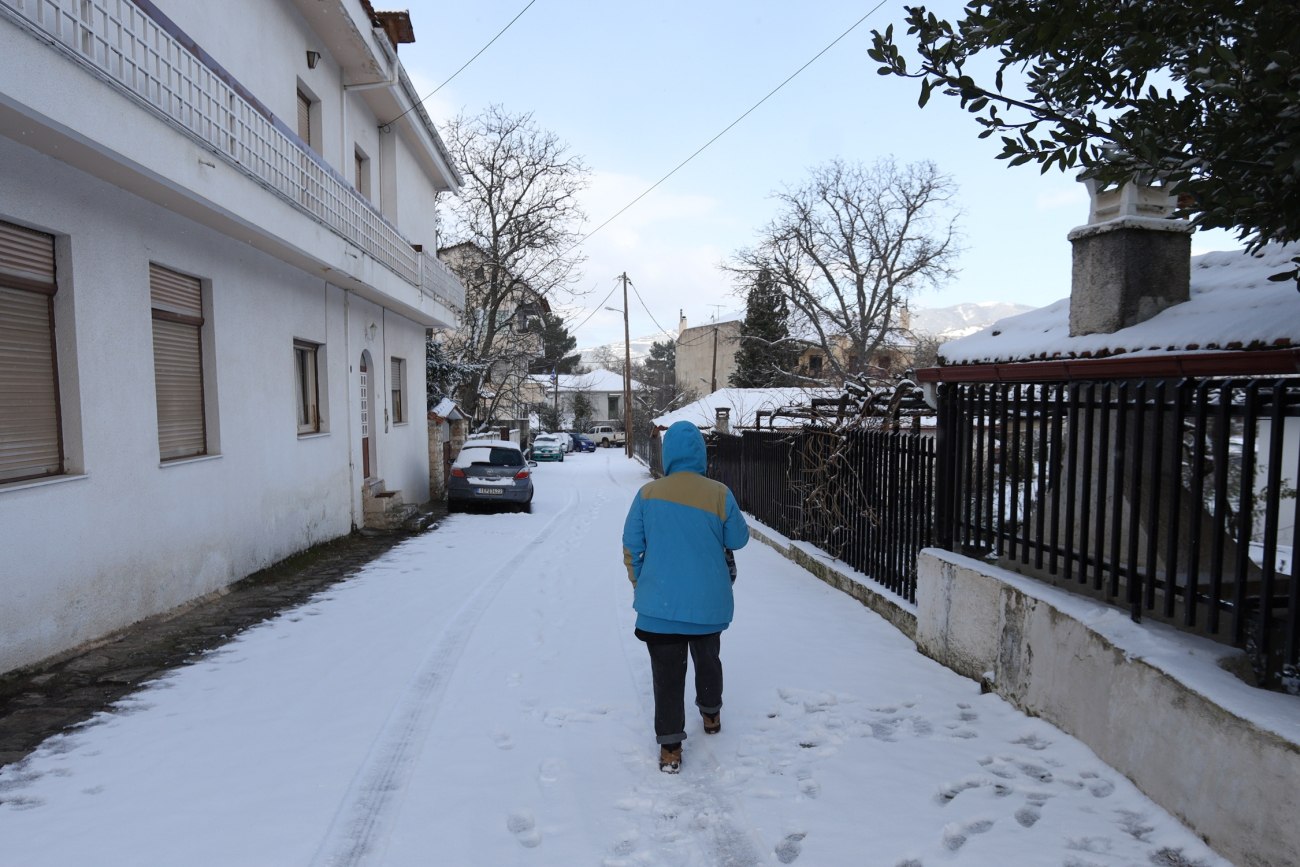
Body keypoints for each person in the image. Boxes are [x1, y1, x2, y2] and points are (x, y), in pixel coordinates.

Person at [622, 420, 749, 773]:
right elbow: (738, 539)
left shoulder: (648, 495)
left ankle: (671, 749)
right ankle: (711, 715)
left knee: (666, 676)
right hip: (708, 604)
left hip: (660, 608)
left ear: (668, 455)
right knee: (708, 660)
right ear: (701, 455)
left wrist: (641, 583)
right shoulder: (719, 493)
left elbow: (632, 546)